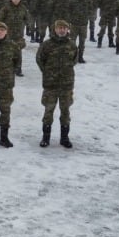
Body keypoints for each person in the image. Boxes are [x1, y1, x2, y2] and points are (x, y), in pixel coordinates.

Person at [35, 19, 78, 148]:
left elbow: (74, 60)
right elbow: (39, 59)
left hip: (66, 84)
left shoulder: (71, 45)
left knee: (65, 112)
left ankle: (64, 138)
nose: (62, 30)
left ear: (67, 30)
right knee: (48, 111)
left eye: (64, 28)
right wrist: (48, 72)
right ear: (55, 29)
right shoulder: (47, 44)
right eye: (59, 28)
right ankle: (45, 137)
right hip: (50, 84)